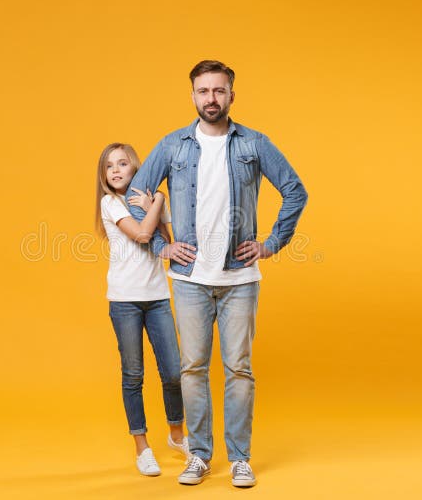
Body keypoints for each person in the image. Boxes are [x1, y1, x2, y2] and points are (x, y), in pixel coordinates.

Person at [127, 61, 308, 487]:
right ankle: (200, 456)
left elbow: (295, 191)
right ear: (192, 96)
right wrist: (161, 246)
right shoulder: (174, 146)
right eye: (203, 91)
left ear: (231, 95)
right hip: (189, 279)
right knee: (192, 369)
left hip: (239, 279)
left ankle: (241, 458)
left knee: (239, 368)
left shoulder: (254, 143)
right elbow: (137, 198)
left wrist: (270, 244)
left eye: (219, 91)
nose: (211, 98)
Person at [95, 143, 190, 476]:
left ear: (136, 169)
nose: (117, 170)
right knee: (133, 374)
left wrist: (153, 204)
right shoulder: (111, 203)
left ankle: (177, 436)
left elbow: (164, 244)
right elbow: (143, 233)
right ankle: (142, 446)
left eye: (123, 163)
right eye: (110, 166)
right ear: (104, 175)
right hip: (124, 301)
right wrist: (159, 201)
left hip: (158, 297)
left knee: (174, 372)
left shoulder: (143, 199)